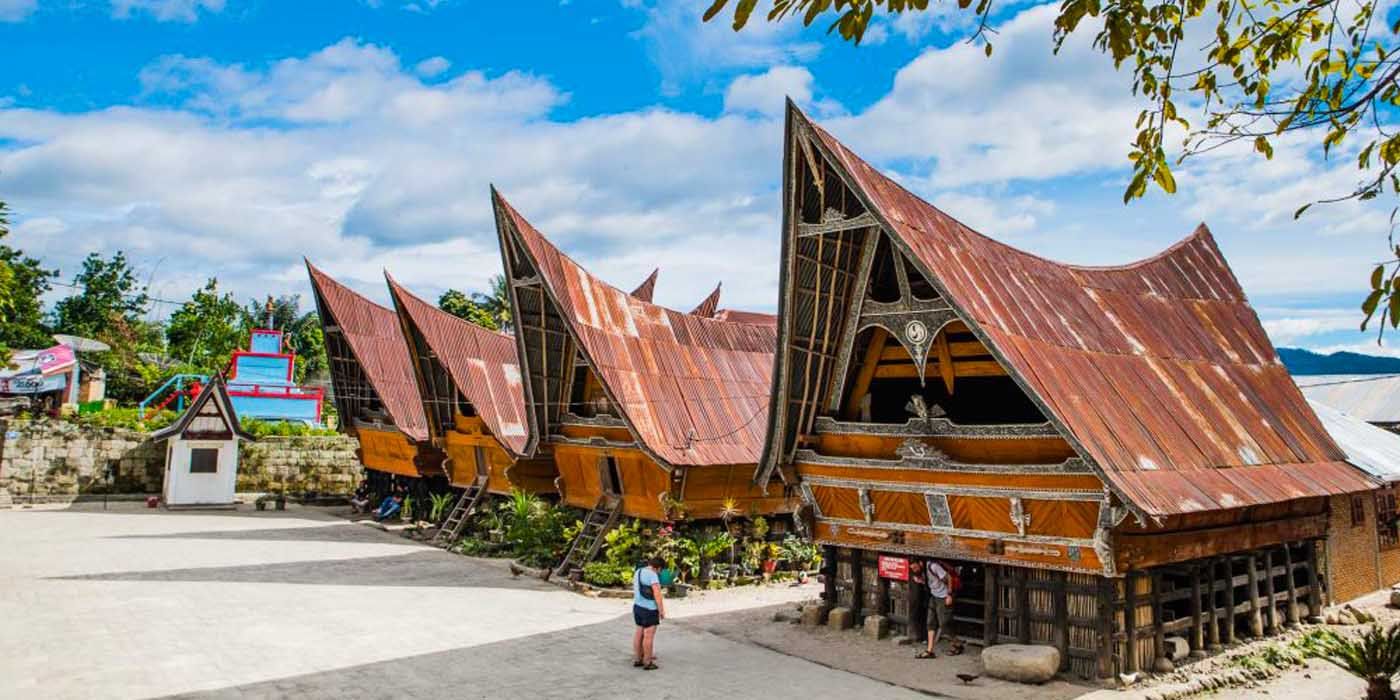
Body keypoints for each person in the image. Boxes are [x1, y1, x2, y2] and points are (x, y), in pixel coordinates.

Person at [916, 559, 958, 658]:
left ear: (920, 563)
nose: (914, 570)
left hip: (943, 596)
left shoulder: (933, 567)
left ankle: (957, 644)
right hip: (934, 596)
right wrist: (921, 581)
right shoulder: (922, 571)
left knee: (944, 623)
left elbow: (949, 578)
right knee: (930, 622)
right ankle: (929, 650)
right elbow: (932, 583)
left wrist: (949, 595)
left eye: (915, 567)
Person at [631, 555, 666, 670]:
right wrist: (661, 610)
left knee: (639, 632)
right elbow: (657, 594)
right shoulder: (653, 575)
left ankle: (637, 658)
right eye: (661, 570)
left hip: (637, 607)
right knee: (648, 635)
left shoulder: (638, 571)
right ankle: (648, 661)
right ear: (658, 568)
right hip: (650, 609)